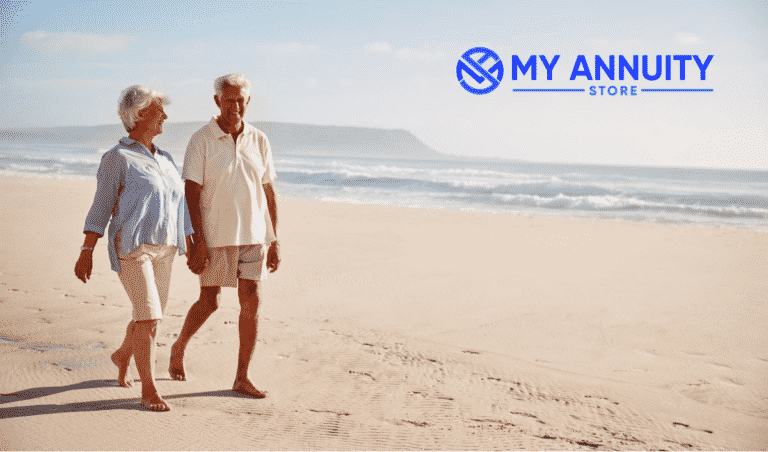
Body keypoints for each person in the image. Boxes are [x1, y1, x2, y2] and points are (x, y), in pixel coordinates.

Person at [74, 86, 194, 412]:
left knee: (147, 316)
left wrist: (191, 240)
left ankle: (122, 354)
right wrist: (87, 249)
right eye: (160, 111)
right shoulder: (117, 158)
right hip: (132, 247)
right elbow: (101, 207)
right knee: (150, 318)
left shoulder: (165, 158)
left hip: (166, 248)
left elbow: (177, 205)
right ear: (140, 115)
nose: (166, 116)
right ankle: (148, 390)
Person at [168, 74, 280, 399]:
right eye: (228, 100)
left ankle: (241, 377)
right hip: (215, 236)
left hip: (255, 236)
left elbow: (269, 189)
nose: (235, 106)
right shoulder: (201, 139)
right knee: (210, 302)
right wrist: (195, 241)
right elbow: (190, 191)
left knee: (252, 301)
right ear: (217, 101)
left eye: (240, 100)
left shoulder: (259, 139)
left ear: (248, 101)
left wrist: (274, 239)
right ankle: (179, 346)